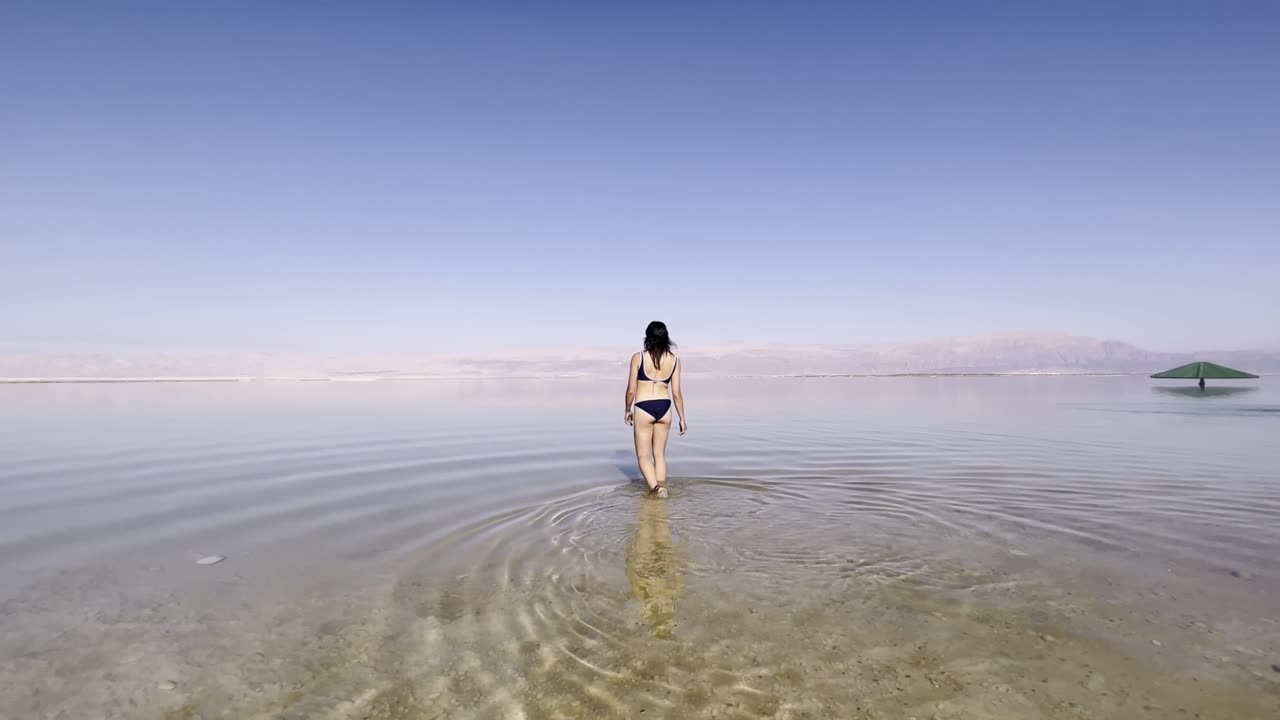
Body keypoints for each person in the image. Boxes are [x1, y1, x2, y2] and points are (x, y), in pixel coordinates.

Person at [624, 321, 686, 497]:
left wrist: (627, 409)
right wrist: (682, 418)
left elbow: (630, 390)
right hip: (665, 408)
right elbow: (676, 394)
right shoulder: (675, 361)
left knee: (643, 456)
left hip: (644, 406)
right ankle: (660, 488)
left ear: (648, 337)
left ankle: (657, 489)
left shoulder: (638, 357)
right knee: (659, 455)